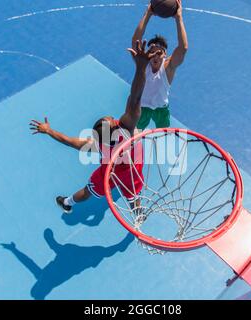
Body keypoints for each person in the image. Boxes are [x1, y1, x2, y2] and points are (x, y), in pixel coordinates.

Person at [29, 40, 161, 214]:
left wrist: (48, 130)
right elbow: (135, 97)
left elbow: (69, 141)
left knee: (88, 191)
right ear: (115, 125)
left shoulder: (97, 144)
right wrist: (140, 67)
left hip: (110, 171)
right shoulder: (126, 129)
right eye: (111, 119)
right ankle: (137, 215)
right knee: (133, 195)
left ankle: (67, 202)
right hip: (131, 168)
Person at [132, 0, 188, 130]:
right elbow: (135, 41)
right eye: (152, 52)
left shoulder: (168, 67)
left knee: (163, 135)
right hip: (142, 107)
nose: (155, 55)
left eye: (159, 52)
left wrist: (179, 18)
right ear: (147, 52)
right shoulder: (143, 63)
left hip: (161, 109)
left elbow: (183, 48)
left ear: (165, 55)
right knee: (133, 134)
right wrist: (148, 14)